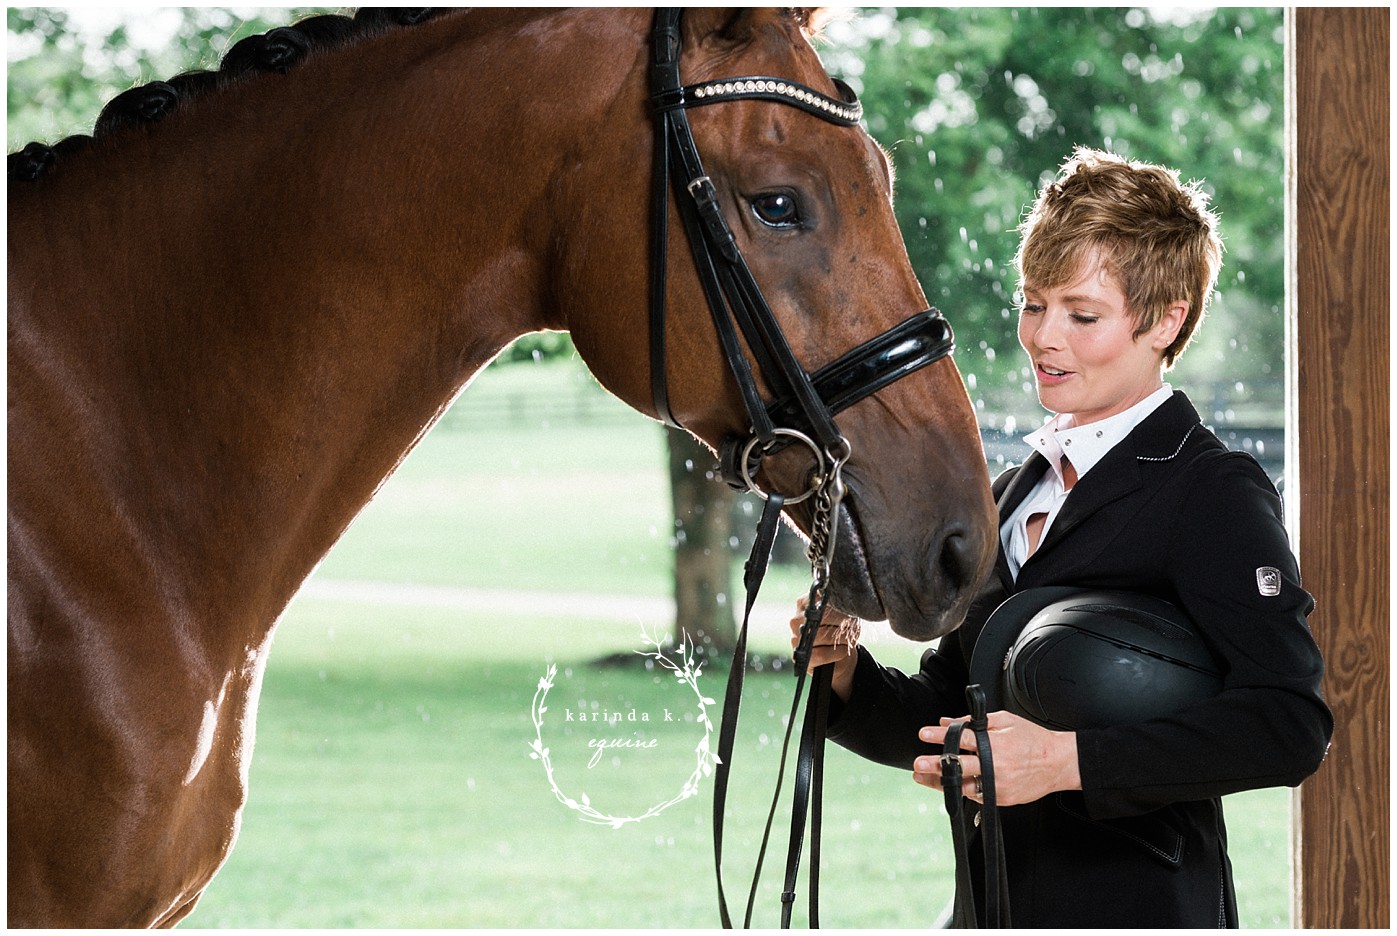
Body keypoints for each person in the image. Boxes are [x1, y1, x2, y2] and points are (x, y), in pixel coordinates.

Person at [792, 147, 1332, 927]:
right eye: (1032, 304)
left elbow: (1287, 726)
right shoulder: (1013, 493)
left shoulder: (1209, 490)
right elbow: (950, 708)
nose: (1045, 338)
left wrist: (1064, 762)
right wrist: (842, 674)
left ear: (1165, 320)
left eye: (1082, 314)